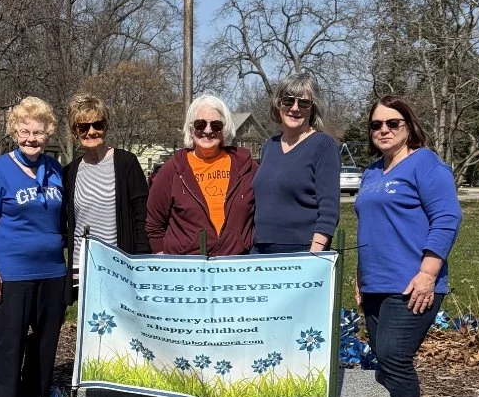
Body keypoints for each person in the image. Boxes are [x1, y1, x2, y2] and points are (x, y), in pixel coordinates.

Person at [353, 96, 461, 397]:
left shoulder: (425, 164)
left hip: (412, 283)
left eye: (392, 123)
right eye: (376, 125)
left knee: (393, 356)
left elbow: (447, 217)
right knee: (384, 361)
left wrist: (428, 274)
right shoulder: (372, 171)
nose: (383, 130)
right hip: (375, 284)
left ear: (408, 126)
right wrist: (359, 277)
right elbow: (368, 226)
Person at [0, 96, 67, 397]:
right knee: (8, 344)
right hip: (12, 273)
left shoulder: (55, 169)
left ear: (47, 134)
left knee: (44, 345)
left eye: (38, 132)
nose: (32, 138)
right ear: (15, 132)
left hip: (52, 271)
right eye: (25, 131)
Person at [146, 95, 256, 255]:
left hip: (235, 266)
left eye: (216, 125)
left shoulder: (246, 167)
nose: (208, 130)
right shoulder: (172, 170)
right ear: (191, 129)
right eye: (200, 124)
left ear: (224, 129)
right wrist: (163, 259)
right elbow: (154, 224)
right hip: (187, 267)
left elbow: (266, 213)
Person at [62, 94, 150, 289]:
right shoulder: (70, 171)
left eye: (97, 125)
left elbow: (142, 217)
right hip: (82, 263)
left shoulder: (126, 163)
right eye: (83, 127)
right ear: (74, 132)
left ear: (106, 126)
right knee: (88, 319)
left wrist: (141, 262)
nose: (91, 132)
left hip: (119, 265)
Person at [252, 70, 341, 253]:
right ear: (278, 104)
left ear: (313, 108)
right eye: (288, 101)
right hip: (261, 248)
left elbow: (329, 209)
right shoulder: (269, 145)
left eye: (304, 103)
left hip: (301, 250)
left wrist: (315, 252)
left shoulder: (323, 145)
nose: (294, 108)